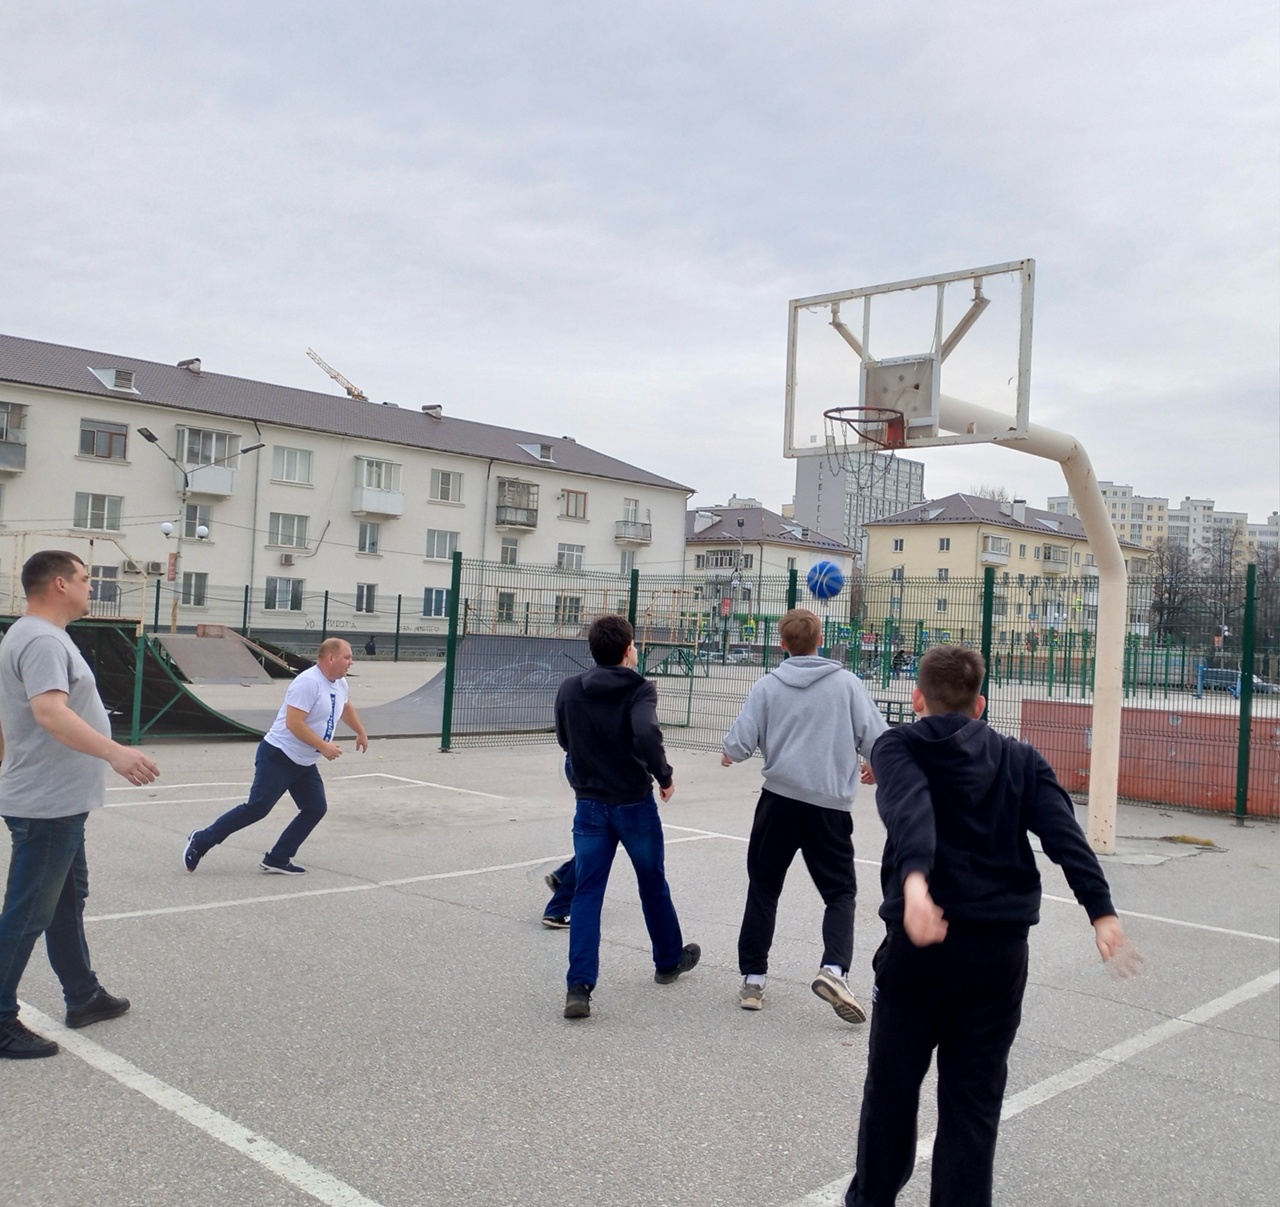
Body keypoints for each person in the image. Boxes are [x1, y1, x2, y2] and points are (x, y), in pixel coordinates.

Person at [846, 645, 1133, 1207]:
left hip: (919, 949)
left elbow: (910, 808)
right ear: (980, 705)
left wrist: (916, 883)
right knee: (973, 1107)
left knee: (891, 1095)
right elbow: (1064, 835)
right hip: (997, 956)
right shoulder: (1021, 759)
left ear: (917, 698)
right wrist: (1101, 911)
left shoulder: (898, 745)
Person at [0, 550, 160, 1059]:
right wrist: (116, 752)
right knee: (28, 911)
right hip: (46, 804)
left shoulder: (34, 635)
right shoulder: (42, 640)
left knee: (66, 900)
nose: (93, 587)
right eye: (87, 579)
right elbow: (49, 712)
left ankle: (83, 995)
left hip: (55, 800)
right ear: (60, 584)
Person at [722, 607, 887, 1021]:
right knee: (839, 893)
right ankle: (833, 969)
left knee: (764, 888)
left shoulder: (767, 685)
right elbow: (877, 738)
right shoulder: (847, 684)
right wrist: (875, 764)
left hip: (778, 801)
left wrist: (730, 753)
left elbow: (739, 743)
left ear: (783, 644)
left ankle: (754, 979)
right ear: (821, 641)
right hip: (828, 806)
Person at [554, 614, 698, 1019]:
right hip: (633, 803)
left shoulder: (570, 688)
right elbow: (646, 733)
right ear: (627, 649)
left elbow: (564, 738)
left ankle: (579, 987)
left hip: (590, 803)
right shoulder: (639, 689)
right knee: (652, 881)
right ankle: (668, 960)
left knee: (587, 892)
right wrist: (663, 775)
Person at [184, 638, 368, 875]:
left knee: (315, 808)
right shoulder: (308, 683)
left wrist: (360, 732)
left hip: (304, 761)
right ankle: (201, 840)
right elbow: (294, 723)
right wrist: (323, 746)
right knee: (257, 808)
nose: (351, 662)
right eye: (347, 657)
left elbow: (345, 706)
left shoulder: (340, 683)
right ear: (331, 658)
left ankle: (278, 857)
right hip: (279, 755)